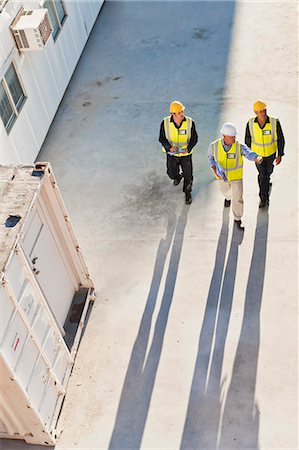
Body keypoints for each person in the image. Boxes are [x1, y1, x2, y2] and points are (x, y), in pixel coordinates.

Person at [207, 122, 263, 230]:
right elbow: (210, 157)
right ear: (224, 136)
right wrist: (213, 167)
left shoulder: (239, 146)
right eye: (232, 137)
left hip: (236, 178)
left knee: (238, 198)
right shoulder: (214, 146)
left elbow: (248, 153)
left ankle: (238, 218)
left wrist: (256, 157)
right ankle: (228, 197)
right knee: (226, 192)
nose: (234, 138)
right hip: (222, 178)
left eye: (234, 136)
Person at [245, 100, 285, 208]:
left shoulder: (274, 122)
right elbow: (247, 140)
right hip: (258, 156)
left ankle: (266, 184)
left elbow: (280, 139)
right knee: (263, 176)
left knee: (268, 172)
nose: (263, 113)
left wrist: (280, 154)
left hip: (271, 154)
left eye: (264, 110)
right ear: (255, 112)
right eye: (260, 111)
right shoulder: (250, 123)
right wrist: (252, 154)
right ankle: (263, 198)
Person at [159, 101, 198, 204]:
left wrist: (188, 148)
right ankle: (176, 177)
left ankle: (187, 192)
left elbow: (194, 139)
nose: (182, 114)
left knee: (188, 175)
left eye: (182, 111)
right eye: (179, 112)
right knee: (171, 173)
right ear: (173, 114)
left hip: (186, 155)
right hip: (172, 155)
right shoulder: (165, 123)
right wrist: (169, 147)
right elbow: (162, 139)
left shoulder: (190, 122)